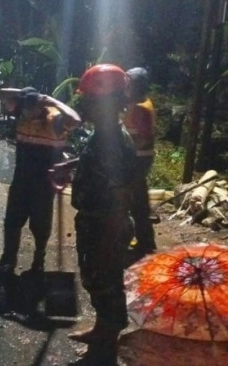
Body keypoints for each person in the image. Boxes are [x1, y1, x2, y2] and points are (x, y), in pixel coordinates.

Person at [63, 64, 136, 365]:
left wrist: (108, 238)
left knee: (105, 279)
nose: (84, 105)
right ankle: (101, 328)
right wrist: (72, 166)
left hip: (106, 223)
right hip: (95, 221)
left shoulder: (112, 140)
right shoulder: (104, 133)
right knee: (95, 278)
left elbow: (120, 196)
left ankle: (107, 345)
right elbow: (99, 165)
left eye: (90, 100)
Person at [0, 86, 81, 275]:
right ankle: (8, 259)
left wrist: (51, 100)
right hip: (21, 179)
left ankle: (38, 260)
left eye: (30, 109)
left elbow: (76, 120)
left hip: (44, 182)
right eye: (24, 109)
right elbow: (0, 91)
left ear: (40, 106)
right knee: (12, 221)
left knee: (40, 224)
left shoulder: (55, 119)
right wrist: (26, 92)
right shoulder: (22, 111)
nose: (26, 113)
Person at [124, 67, 157, 257]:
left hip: (138, 158)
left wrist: (124, 146)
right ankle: (145, 240)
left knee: (134, 201)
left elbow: (145, 137)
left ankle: (143, 242)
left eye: (129, 82)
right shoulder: (140, 103)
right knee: (139, 200)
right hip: (139, 157)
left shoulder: (140, 107)